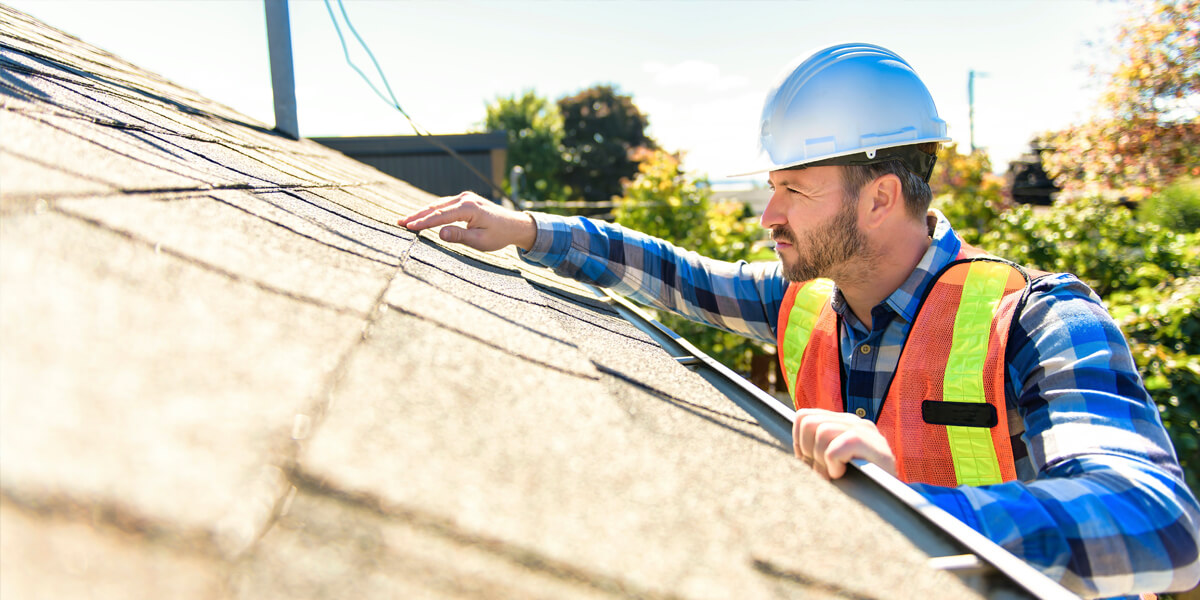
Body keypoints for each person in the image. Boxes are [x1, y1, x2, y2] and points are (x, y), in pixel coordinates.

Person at [401, 43, 1200, 598]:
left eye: (794, 190)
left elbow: (1162, 521)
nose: (767, 214)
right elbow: (679, 274)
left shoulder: (1040, 321)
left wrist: (920, 510)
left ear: (881, 196)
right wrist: (532, 231)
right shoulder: (810, 301)